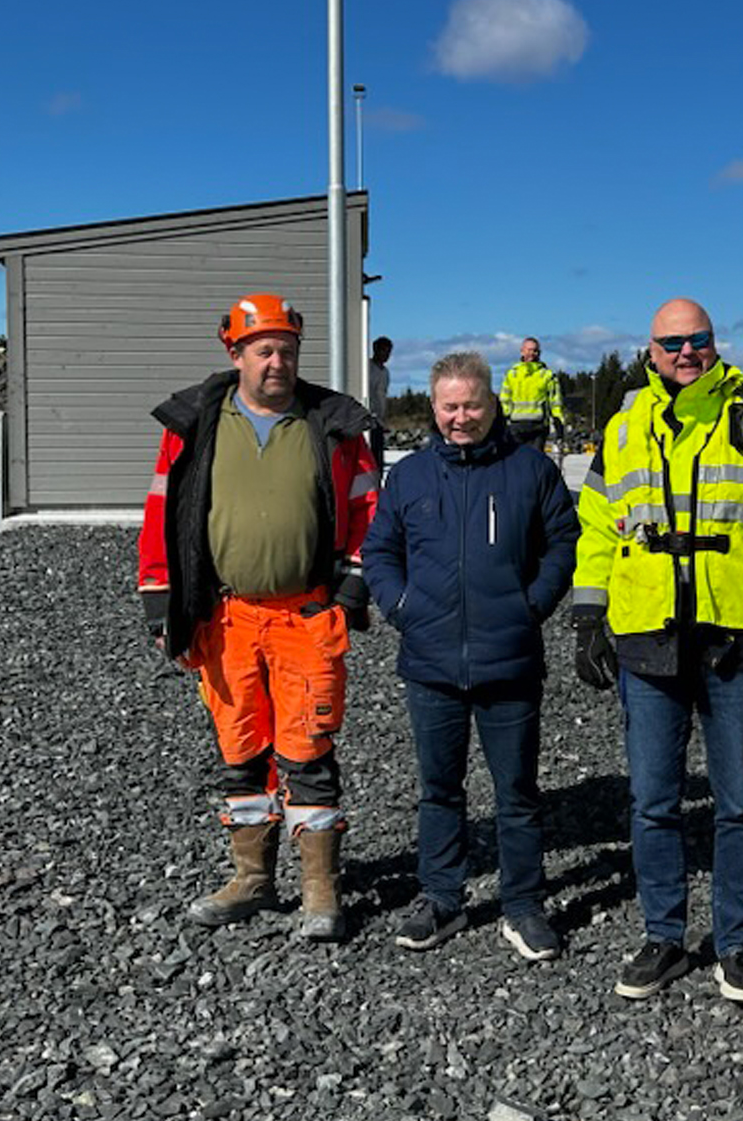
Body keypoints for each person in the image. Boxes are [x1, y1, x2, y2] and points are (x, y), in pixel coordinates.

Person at [567, 298, 743, 1006]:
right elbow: (595, 529)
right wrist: (589, 616)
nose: (685, 352)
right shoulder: (623, 429)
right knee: (652, 800)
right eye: (671, 342)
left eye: (697, 340)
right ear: (650, 351)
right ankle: (664, 935)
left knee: (740, 801)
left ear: (716, 344)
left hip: (735, 634)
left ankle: (737, 943)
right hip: (647, 634)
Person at [137, 293, 380, 942]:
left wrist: (354, 586)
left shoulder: (332, 424)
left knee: (307, 750)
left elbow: (366, 510)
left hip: (305, 615)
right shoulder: (195, 422)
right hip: (226, 618)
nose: (278, 362)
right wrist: (160, 600)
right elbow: (162, 513)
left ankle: (319, 889)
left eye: (288, 350)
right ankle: (251, 878)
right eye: (264, 349)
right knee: (240, 749)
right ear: (235, 353)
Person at [363, 351, 578, 961]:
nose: (461, 418)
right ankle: (443, 899)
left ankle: (523, 905)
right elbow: (379, 550)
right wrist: (401, 607)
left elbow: (564, 541)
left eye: (472, 405)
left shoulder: (529, 469)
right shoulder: (409, 477)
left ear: (493, 404)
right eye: (450, 407)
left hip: (508, 658)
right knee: (439, 788)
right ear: (434, 408)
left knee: (516, 791)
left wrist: (530, 604)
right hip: (430, 661)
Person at [499, 336, 565, 453]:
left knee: (535, 463)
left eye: (535, 350)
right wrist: (501, 421)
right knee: (516, 462)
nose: (532, 353)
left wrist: (558, 422)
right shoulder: (512, 374)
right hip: (516, 426)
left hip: (538, 427)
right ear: (522, 351)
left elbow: (555, 402)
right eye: (529, 350)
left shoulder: (547, 375)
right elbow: (504, 400)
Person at [368, 336, 393, 465]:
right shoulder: (367, 368)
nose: (387, 355)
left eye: (389, 352)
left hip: (379, 420)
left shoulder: (385, 372)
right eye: (384, 351)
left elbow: (383, 395)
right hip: (369, 418)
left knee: (378, 459)